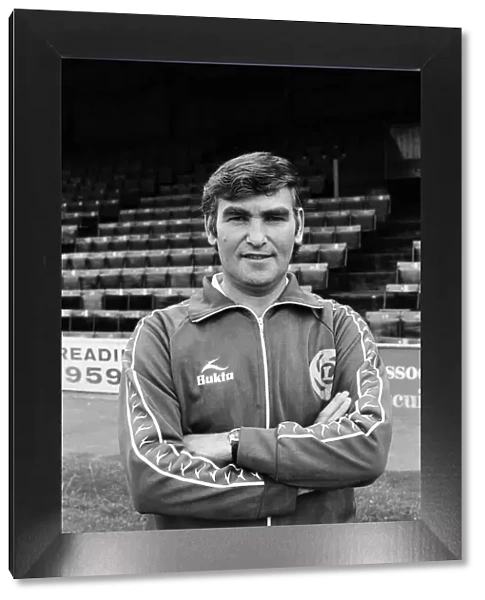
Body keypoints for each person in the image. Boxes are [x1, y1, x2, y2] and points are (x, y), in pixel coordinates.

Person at [118, 151, 392, 530]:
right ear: (211, 228)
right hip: (199, 573)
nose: (257, 237)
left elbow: (368, 450)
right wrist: (298, 477)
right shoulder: (159, 334)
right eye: (238, 217)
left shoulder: (341, 326)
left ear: (297, 225)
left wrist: (232, 445)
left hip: (316, 567)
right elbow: (152, 478)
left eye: (274, 217)